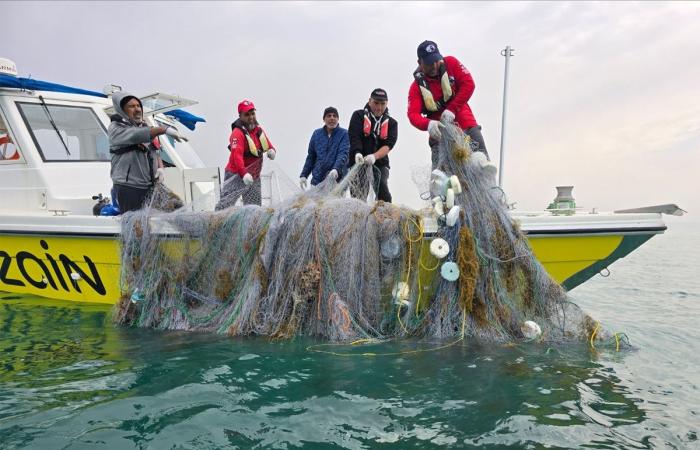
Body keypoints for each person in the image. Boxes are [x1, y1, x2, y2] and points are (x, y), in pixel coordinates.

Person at [407, 40, 488, 169]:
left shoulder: (451, 63)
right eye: (428, 63)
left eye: (435, 61)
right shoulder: (415, 88)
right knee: (440, 180)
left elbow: (469, 84)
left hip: (466, 125)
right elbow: (412, 115)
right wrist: (428, 124)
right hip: (440, 136)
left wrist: (452, 109)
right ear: (420, 62)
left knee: (483, 165)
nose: (433, 66)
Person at [109, 92, 186, 213]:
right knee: (137, 225)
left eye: (138, 106)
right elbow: (137, 135)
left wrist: (161, 169)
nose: (137, 109)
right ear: (122, 110)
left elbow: (155, 150)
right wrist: (164, 129)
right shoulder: (116, 128)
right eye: (131, 106)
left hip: (151, 186)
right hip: (129, 188)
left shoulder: (143, 126)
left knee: (178, 208)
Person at [217, 100, 276, 209]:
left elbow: (268, 144)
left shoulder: (259, 130)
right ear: (240, 116)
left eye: (253, 113)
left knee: (254, 209)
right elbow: (236, 156)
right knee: (224, 206)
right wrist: (244, 174)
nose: (251, 117)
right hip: (236, 175)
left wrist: (272, 151)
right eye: (247, 114)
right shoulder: (237, 134)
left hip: (254, 176)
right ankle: (216, 225)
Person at [347, 88, 398, 203]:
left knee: (384, 194)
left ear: (386, 104)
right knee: (358, 198)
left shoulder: (392, 123)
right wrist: (357, 152)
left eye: (382, 104)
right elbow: (354, 136)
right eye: (376, 103)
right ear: (370, 101)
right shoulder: (358, 115)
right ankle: (358, 219)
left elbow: (388, 145)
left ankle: (384, 217)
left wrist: (374, 156)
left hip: (379, 163)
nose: (379, 107)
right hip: (358, 162)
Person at [299, 107, 349, 189]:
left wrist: (335, 169)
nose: (332, 118)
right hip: (317, 181)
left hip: (336, 181)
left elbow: (343, 154)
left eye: (334, 116)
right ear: (324, 119)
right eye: (329, 116)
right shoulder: (316, 134)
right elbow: (311, 156)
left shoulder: (344, 134)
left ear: (338, 119)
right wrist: (304, 175)